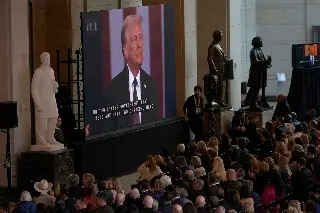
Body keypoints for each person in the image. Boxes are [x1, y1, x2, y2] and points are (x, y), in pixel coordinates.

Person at [105, 14, 159, 130]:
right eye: (135, 39)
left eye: (140, 38)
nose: (140, 45)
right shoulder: (113, 88)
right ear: (125, 51)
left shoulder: (151, 85)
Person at [245, 36, 272, 109]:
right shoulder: (253, 51)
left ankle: (248, 101)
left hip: (261, 72)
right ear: (256, 42)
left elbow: (262, 60)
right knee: (255, 87)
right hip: (255, 72)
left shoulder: (259, 50)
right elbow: (255, 62)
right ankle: (253, 103)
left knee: (255, 87)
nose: (261, 42)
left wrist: (268, 62)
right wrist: (266, 61)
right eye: (260, 41)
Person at [206, 30, 227, 107]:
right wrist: (215, 69)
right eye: (221, 36)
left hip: (221, 69)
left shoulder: (219, 45)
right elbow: (209, 59)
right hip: (216, 71)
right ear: (217, 36)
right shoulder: (213, 46)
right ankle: (215, 101)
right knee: (215, 87)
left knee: (220, 86)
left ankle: (220, 101)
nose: (222, 37)